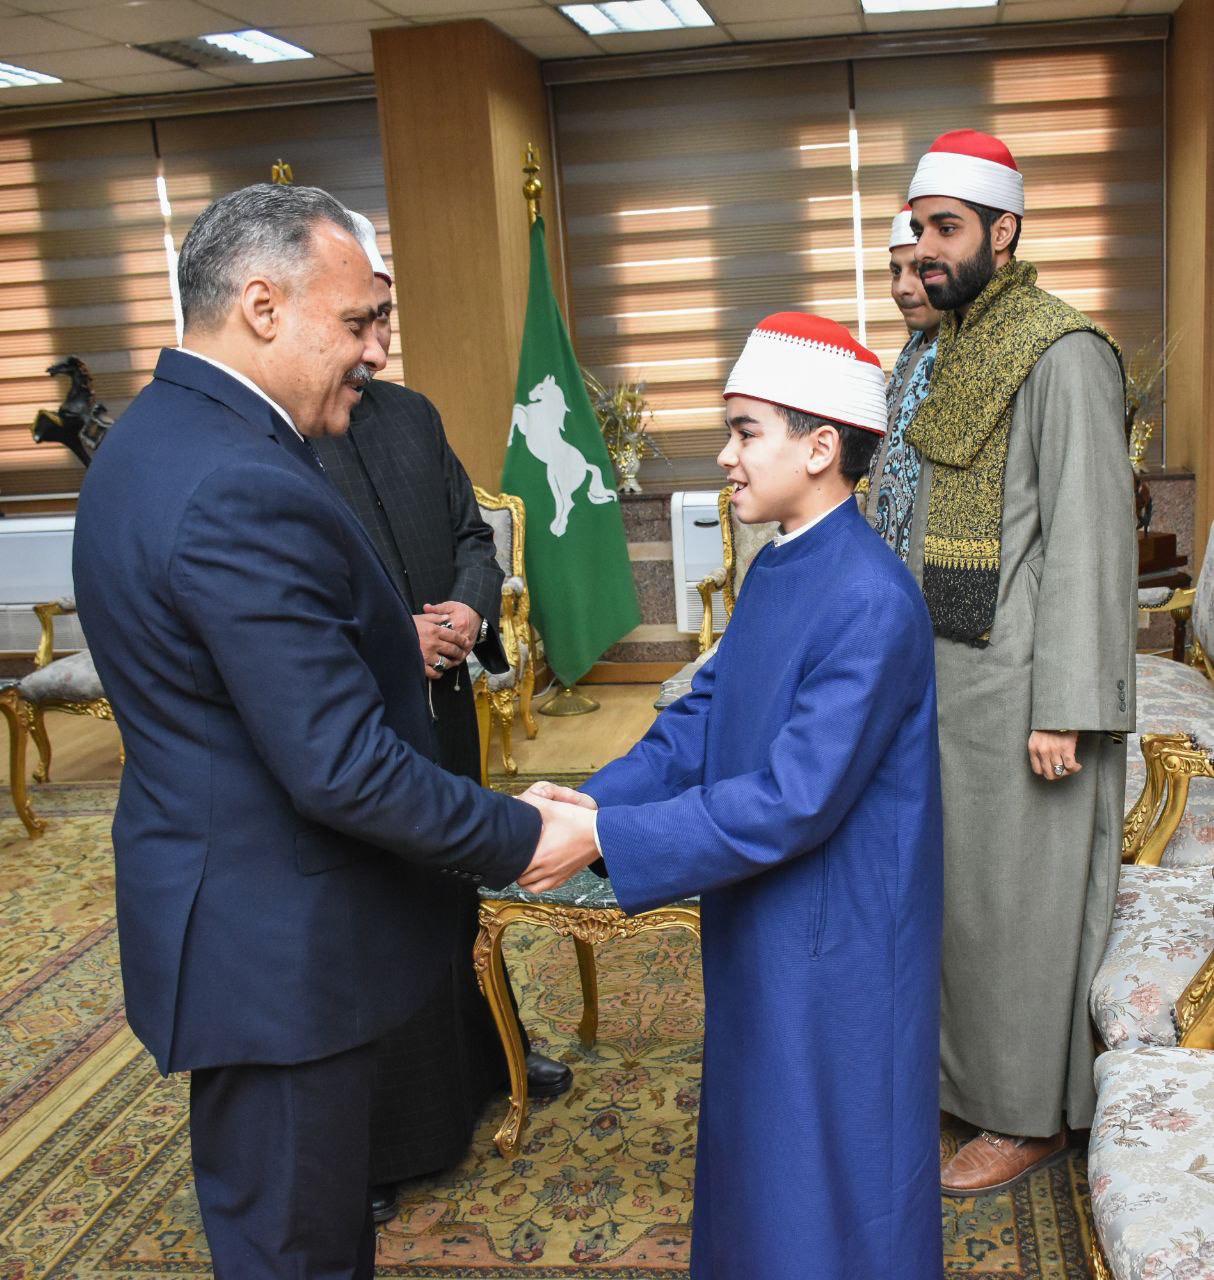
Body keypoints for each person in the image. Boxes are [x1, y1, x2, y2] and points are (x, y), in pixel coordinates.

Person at [71, 183, 576, 1279]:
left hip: (237, 915)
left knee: (303, 1229)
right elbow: (340, 764)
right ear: (263, 306)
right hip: (277, 949)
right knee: (296, 1249)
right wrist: (522, 833)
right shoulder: (236, 480)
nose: (376, 352)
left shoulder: (159, 435)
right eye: (356, 323)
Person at [518, 313, 945, 1279]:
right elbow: (702, 719)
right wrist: (587, 805)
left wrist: (606, 840)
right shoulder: (784, 562)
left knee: (833, 1167)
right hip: (770, 911)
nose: (726, 455)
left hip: (838, 939)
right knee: (765, 1153)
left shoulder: (871, 598)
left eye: (746, 430)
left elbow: (797, 798)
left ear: (820, 447)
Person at [312, 213, 570, 1222]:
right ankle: (379, 1144)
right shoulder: (285, 437)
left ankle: (488, 1056)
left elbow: (472, 535)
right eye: (362, 320)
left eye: (385, 319)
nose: (378, 343)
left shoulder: (412, 415)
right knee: (377, 917)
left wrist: (466, 608)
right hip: (365, 724)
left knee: (457, 898)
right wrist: (395, 638)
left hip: (445, 708)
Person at [902, 129, 1137, 1193]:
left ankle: (1025, 1116)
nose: (928, 248)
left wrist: (1066, 706)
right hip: (958, 675)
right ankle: (974, 1084)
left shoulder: (1063, 349)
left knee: (1020, 911)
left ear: (1003, 232)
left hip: (1030, 691)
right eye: (920, 227)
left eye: (947, 227)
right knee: (968, 904)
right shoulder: (960, 343)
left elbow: (1091, 537)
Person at [864, 204, 941, 553]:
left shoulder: (961, 354)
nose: (902, 288)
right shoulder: (913, 349)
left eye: (919, 271)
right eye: (896, 272)